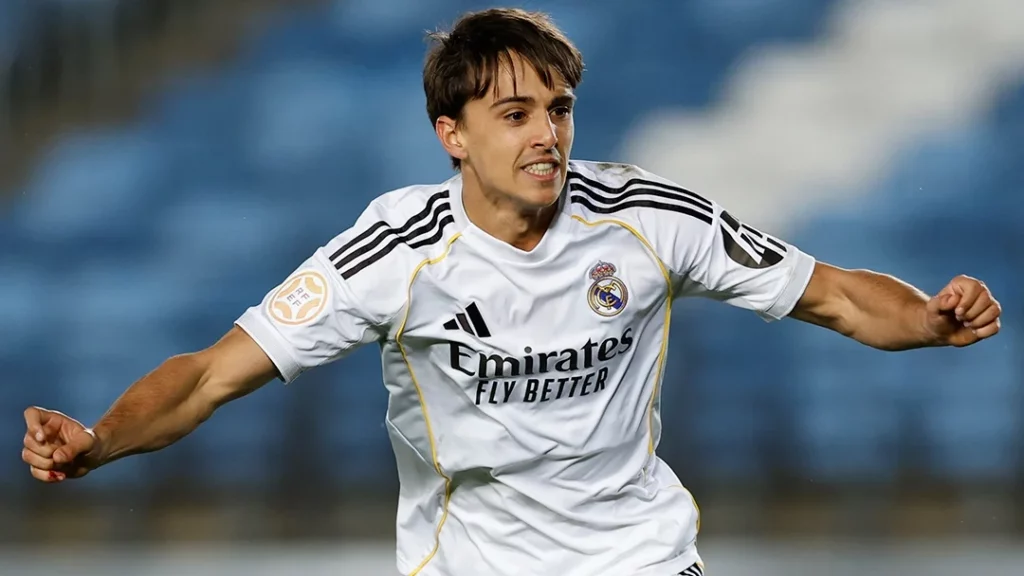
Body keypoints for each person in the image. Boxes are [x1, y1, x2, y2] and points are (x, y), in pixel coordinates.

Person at [21, 8, 1002, 576]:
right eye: (515, 113)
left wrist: (925, 317)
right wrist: (101, 441)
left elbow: (830, 295)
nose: (548, 135)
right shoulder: (396, 251)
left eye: (560, 110)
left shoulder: (648, 218)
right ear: (453, 134)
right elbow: (206, 378)